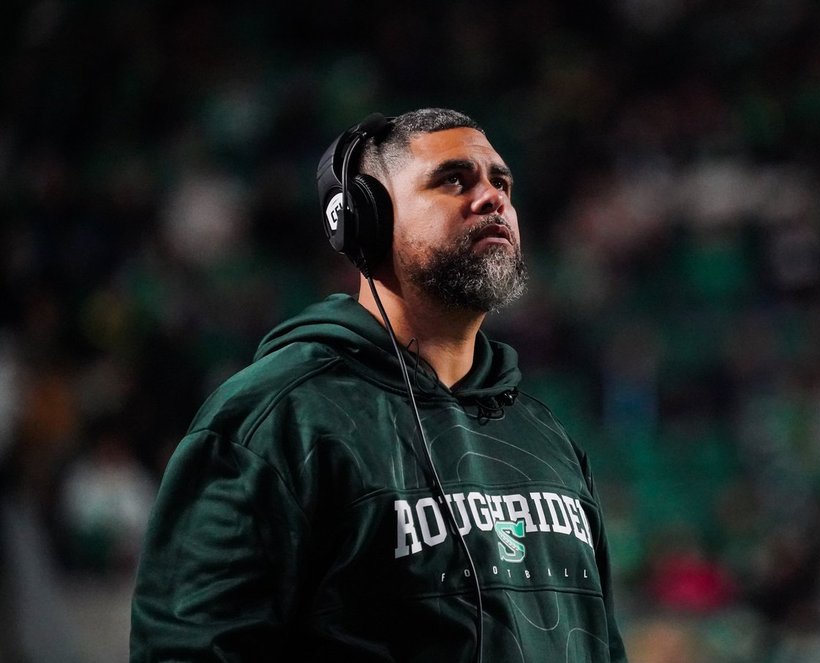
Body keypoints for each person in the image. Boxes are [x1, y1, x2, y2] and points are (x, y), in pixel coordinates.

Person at [130, 108, 628, 662]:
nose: (494, 199)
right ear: (365, 219)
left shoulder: (546, 435)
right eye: (454, 180)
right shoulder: (274, 420)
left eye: (501, 182)